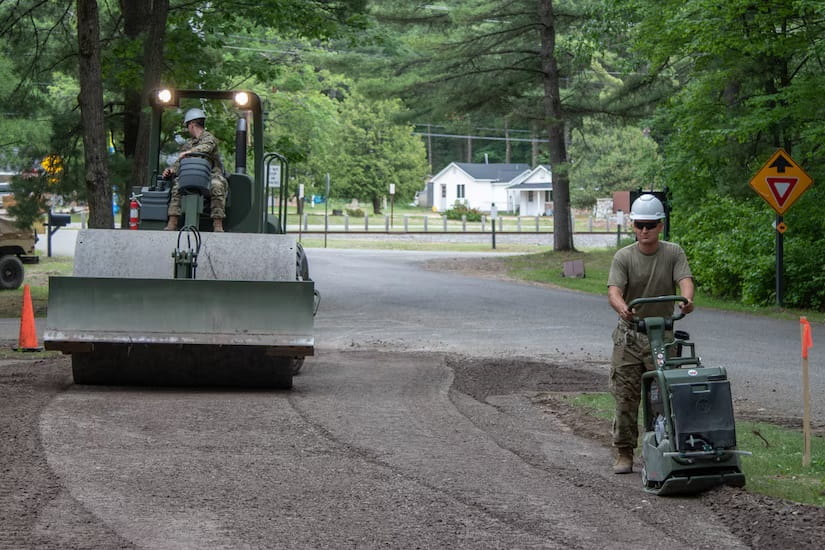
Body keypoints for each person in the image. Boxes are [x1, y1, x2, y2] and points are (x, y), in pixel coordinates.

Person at [606, 194, 695, 474]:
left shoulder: (673, 252)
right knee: (626, 396)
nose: (644, 230)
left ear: (660, 226)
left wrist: (686, 300)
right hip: (631, 335)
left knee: (666, 395)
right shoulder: (624, 256)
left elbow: (685, 281)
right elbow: (614, 291)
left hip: (661, 335)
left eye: (651, 225)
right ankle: (624, 452)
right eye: (640, 225)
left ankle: (668, 449)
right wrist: (622, 308)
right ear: (633, 226)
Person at [163, 108, 228, 232]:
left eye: (188, 126)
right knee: (177, 185)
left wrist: (190, 152)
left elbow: (206, 148)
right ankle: (173, 221)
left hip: (210, 175)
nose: (188, 129)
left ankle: (217, 223)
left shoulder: (209, 138)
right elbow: (180, 162)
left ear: (192, 125)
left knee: (217, 185)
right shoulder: (188, 144)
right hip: (189, 174)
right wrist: (171, 170)